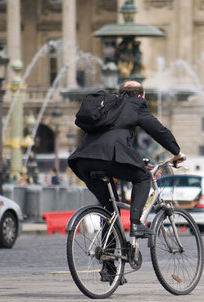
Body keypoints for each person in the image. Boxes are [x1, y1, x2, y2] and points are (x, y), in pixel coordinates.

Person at [68, 80, 184, 238]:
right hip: (109, 156)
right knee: (143, 177)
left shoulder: (107, 104)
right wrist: (176, 152)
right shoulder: (136, 104)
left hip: (82, 159)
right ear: (141, 95)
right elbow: (158, 131)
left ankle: (108, 259)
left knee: (110, 209)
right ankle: (136, 223)